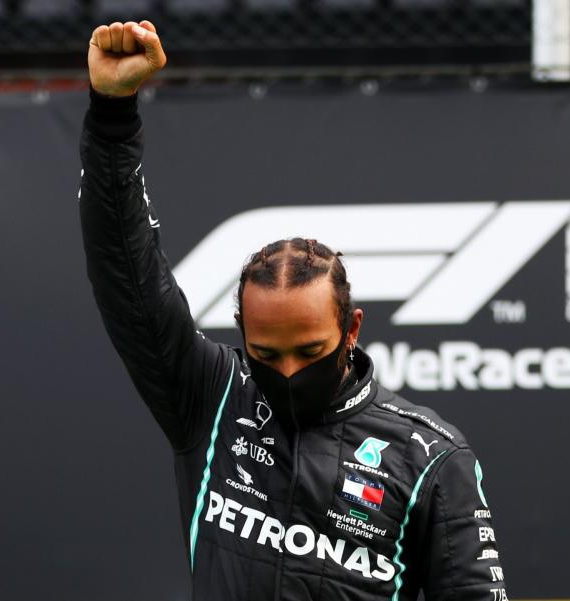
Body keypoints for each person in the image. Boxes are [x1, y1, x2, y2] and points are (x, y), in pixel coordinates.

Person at [79, 19, 507, 601]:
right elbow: (124, 271)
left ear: (351, 328)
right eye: (265, 354)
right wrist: (111, 113)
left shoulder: (430, 458)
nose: (286, 372)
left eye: (310, 352)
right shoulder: (210, 397)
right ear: (241, 335)